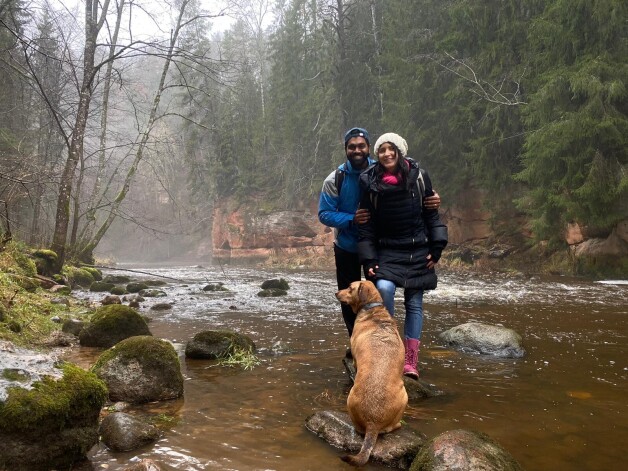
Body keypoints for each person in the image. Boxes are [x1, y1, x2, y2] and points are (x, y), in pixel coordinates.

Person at [318, 127, 441, 342]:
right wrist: (351, 219)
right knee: (349, 300)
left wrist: (430, 198)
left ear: (368, 149)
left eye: (361, 146)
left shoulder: (380, 170)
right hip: (347, 247)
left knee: (376, 299)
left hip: (379, 248)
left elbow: (407, 171)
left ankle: (381, 344)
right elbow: (324, 214)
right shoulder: (335, 179)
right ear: (346, 149)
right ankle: (355, 342)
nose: (357, 150)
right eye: (352, 147)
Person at [357, 132, 448, 379]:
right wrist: (369, 259)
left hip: (418, 249)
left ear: (399, 151)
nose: (386, 154)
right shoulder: (370, 182)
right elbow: (366, 224)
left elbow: (431, 214)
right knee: (384, 288)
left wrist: (437, 246)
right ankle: (389, 346)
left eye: (391, 149)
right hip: (387, 250)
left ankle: (410, 360)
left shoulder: (419, 177)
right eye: (382, 150)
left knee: (414, 303)